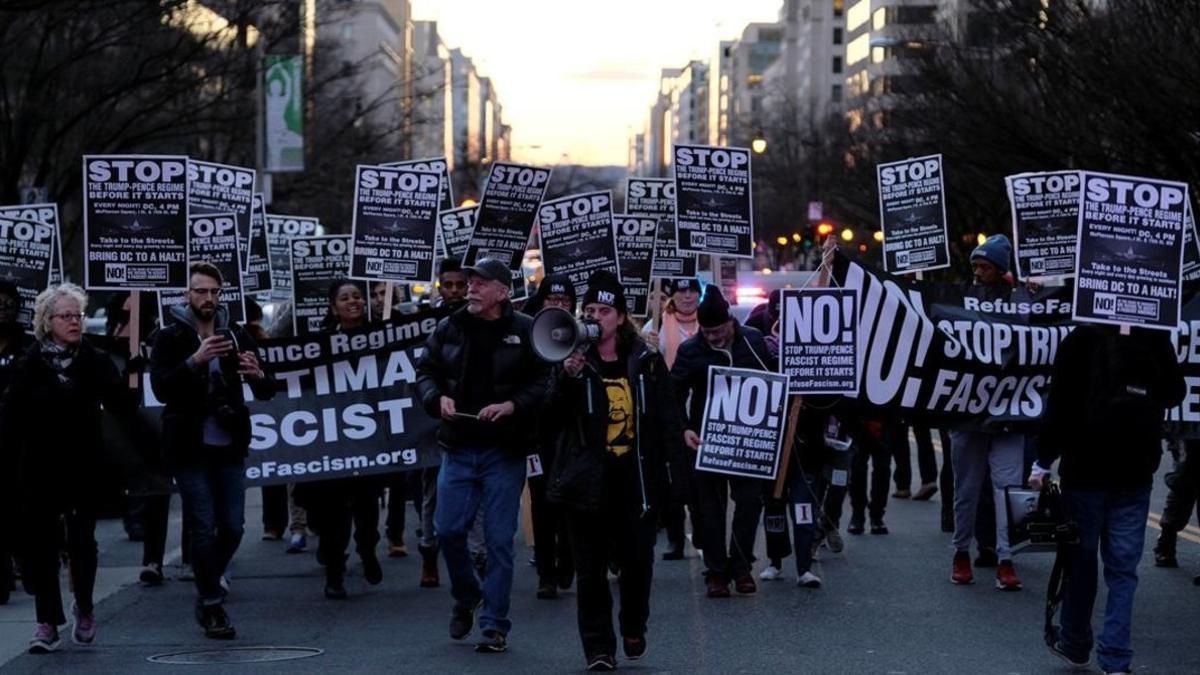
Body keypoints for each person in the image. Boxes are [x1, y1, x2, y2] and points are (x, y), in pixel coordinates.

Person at [546, 270, 684, 671]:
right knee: (589, 570)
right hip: (587, 481)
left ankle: (633, 623)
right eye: (588, 310)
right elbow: (549, 420)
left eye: (603, 310)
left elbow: (669, 424)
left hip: (635, 478)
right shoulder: (569, 359)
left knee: (637, 562)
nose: (595, 316)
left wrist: (676, 483)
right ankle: (598, 647)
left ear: (621, 317)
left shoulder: (646, 361)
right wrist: (565, 378)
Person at [1032, 323, 1185, 675]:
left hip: (1086, 469)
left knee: (1080, 563)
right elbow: (1174, 391)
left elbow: (1061, 404)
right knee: (1123, 570)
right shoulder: (1155, 335)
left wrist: (1043, 459)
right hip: (1135, 468)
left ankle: (1075, 644)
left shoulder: (1081, 338)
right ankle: (1116, 658)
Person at [416, 258, 550, 653]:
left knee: (498, 541)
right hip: (457, 447)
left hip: (503, 451)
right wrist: (433, 396)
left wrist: (513, 405)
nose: (471, 287)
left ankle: (494, 624)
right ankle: (466, 596)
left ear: (503, 292)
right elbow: (426, 371)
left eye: (481, 282)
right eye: (470, 281)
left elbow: (545, 380)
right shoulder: (449, 327)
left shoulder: (525, 331)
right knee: (448, 531)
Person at [0, 283, 141, 652]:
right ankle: (47, 622)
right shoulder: (27, 363)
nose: (75, 322)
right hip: (38, 470)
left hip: (83, 467)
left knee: (82, 543)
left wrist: (135, 375)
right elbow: (10, 420)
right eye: (66, 316)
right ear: (47, 322)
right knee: (42, 547)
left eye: (77, 315)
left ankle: (85, 606)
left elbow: (121, 407)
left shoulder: (93, 360)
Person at [150, 262, 275, 639]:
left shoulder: (235, 333)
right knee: (203, 527)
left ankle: (208, 580)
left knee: (234, 527)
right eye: (201, 291)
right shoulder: (169, 336)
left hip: (228, 443)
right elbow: (161, 389)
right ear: (187, 295)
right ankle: (210, 603)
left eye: (215, 292)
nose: (208, 298)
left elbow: (267, 387)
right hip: (189, 446)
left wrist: (257, 375)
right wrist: (195, 361)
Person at [670, 284, 776, 597]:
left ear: (731, 322)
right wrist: (684, 428)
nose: (712, 337)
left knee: (748, 504)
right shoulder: (691, 351)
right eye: (706, 331)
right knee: (709, 510)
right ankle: (717, 572)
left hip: (747, 441)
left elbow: (772, 381)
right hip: (707, 441)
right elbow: (673, 395)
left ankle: (741, 567)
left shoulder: (753, 342)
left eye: (717, 330)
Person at [293, 281, 385, 599]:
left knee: (367, 507)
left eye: (358, 297)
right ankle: (335, 573)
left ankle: (368, 549)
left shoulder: (382, 338)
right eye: (345, 298)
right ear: (333, 307)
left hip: (369, 438)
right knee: (334, 513)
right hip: (332, 439)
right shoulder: (318, 344)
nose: (352, 302)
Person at [949, 234, 1024, 590]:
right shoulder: (960, 301)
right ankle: (961, 551)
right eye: (975, 266)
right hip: (969, 413)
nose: (978, 272)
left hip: (1011, 414)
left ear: (1000, 270)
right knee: (967, 489)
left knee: (1007, 489)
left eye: (985, 267)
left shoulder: (1023, 304)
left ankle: (1006, 560)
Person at [413, 256, 474, 588]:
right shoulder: (423, 321)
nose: (453, 291)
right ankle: (429, 552)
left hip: (470, 419)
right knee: (432, 491)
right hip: (433, 420)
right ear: (438, 285)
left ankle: (474, 558)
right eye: (447, 284)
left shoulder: (478, 318)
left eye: (459, 285)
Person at [522, 273, 577, 599]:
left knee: (570, 500)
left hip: (571, 435)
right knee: (541, 502)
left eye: (565, 302)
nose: (559, 307)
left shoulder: (582, 333)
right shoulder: (525, 333)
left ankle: (567, 558)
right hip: (537, 435)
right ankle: (546, 571)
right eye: (552, 302)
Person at [644, 277, 702, 560]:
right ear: (672, 294)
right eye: (681, 290)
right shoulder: (656, 326)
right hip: (670, 413)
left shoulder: (710, 321)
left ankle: (704, 531)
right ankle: (676, 539)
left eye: (692, 290)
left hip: (703, 410)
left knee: (702, 477)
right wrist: (649, 347)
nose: (687, 295)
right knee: (675, 479)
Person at [0, 281, 30, 606]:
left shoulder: (26, 346)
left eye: (9, 304)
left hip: (20, 444)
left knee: (17, 510)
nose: (3, 310)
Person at [1153, 438, 1199, 570]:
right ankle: (1166, 541)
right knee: (1184, 483)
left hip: (1188, 431)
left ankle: (1166, 542)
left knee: (1184, 483)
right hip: (1188, 433)